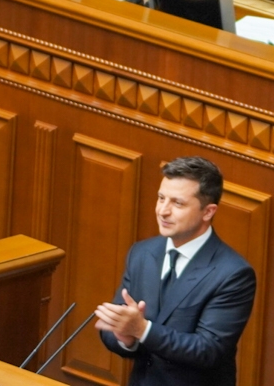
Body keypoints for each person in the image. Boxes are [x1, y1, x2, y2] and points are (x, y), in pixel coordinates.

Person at [96, 157, 255, 386]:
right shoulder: (142, 253)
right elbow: (115, 326)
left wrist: (143, 330)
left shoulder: (233, 273)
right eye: (161, 198)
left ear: (208, 211)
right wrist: (126, 338)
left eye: (178, 203)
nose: (163, 211)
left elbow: (208, 350)